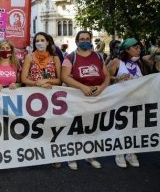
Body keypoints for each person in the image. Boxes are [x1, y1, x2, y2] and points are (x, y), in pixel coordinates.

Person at [61, 30, 110, 170]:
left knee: (93, 128)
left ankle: (91, 156)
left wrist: (102, 87)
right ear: (76, 41)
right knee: (76, 128)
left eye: (87, 38)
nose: (85, 41)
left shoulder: (98, 57)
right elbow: (65, 77)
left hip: (96, 98)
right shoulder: (70, 58)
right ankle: (72, 157)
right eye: (82, 38)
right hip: (77, 98)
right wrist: (82, 87)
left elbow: (106, 75)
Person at [107, 38, 145, 168]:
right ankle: (119, 153)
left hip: (136, 101)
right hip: (120, 101)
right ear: (127, 50)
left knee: (134, 127)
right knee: (121, 127)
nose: (139, 50)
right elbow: (105, 77)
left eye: (139, 48)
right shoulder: (116, 62)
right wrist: (116, 78)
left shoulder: (139, 62)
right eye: (136, 47)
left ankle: (131, 153)